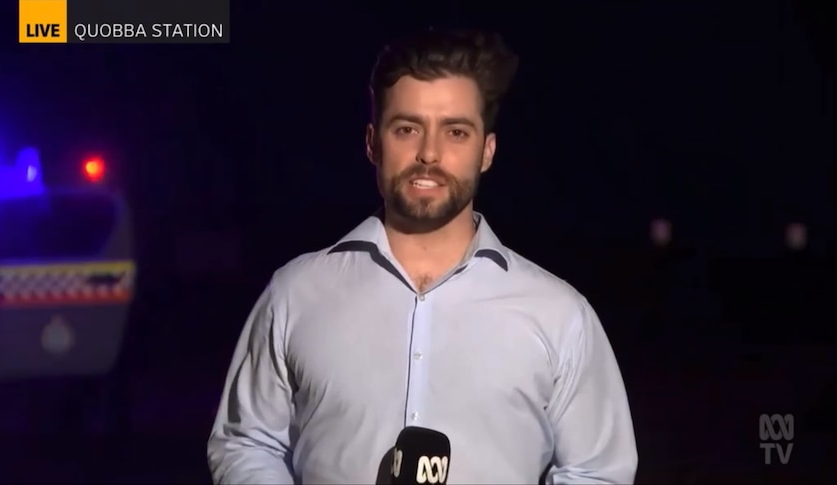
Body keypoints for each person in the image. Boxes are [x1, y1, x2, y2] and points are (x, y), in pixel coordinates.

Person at [208, 28, 638, 484]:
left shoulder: (559, 315)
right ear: (373, 143)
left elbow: (597, 471)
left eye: (456, 131)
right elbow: (246, 443)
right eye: (408, 128)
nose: (429, 154)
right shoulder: (296, 294)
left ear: (486, 151)